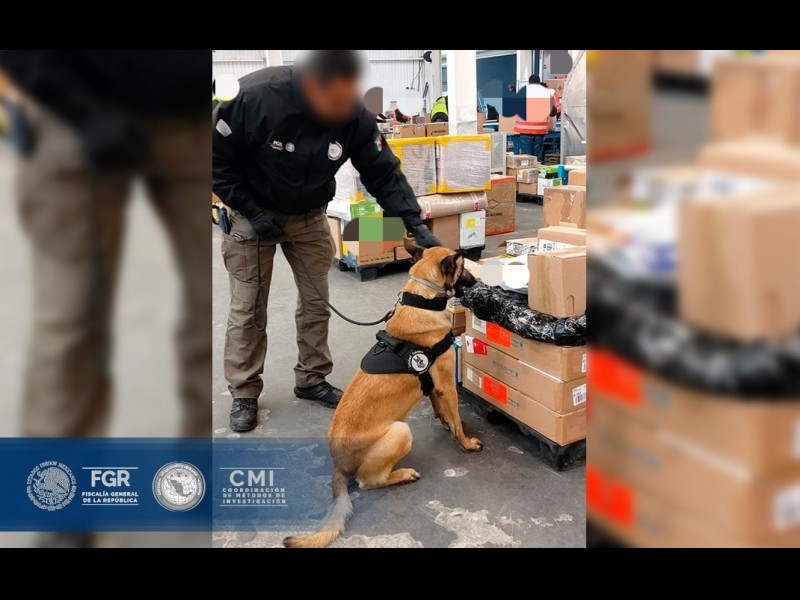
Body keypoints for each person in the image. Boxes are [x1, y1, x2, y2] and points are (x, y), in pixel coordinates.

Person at [212, 50, 441, 433]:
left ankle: (312, 377)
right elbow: (213, 160)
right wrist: (251, 210)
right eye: (333, 101)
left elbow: (383, 172)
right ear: (310, 85)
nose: (341, 110)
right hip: (252, 217)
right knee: (248, 308)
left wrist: (413, 222)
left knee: (316, 302)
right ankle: (244, 389)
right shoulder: (253, 97)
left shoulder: (351, 112)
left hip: (308, 216)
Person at [0, 51, 211, 438]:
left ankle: (196, 465)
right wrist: (83, 112)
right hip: (73, 120)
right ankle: (53, 468)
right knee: (71, 319)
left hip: (189, 124)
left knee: (206, 307)